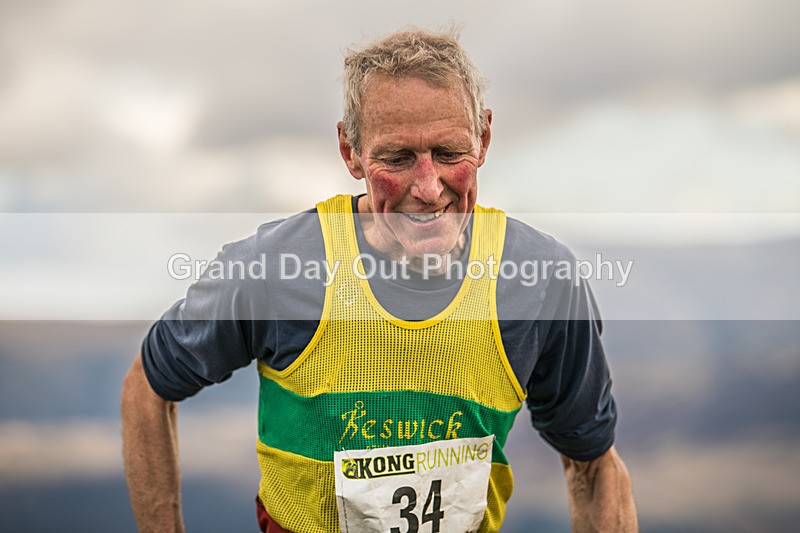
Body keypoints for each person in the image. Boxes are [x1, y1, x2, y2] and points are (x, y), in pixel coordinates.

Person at [121, 28, 637, 533]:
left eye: (449, 153)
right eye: (397, 158)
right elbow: (147, 386)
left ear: (483, 136)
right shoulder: (276, 269)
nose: (429, 187)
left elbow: (595, 467)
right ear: (351, 150)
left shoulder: (542, 283)